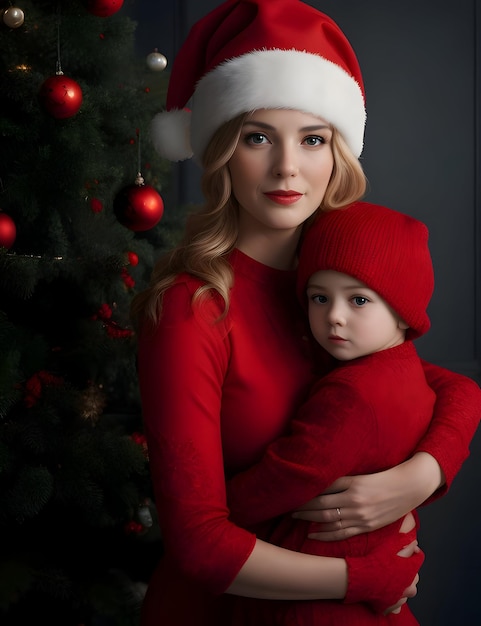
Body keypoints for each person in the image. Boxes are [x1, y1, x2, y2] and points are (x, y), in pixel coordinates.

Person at [130, 1, 481, 625]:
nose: (287, 167)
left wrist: (421, 475)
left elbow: (443, 384)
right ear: (219, 152)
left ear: (337, 153)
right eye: (257, 137)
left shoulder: (339, 273)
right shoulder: (192, 310)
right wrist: (363, 576)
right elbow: (197, 541)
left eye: (312, 139)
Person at [226, 200, 437, 625]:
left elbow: (285, 478)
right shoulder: (403, 367)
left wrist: (216, 507)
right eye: (319, 297)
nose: (334, 317)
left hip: (314, 603)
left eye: (358, 300)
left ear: (403, 309)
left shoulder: (353, 393)